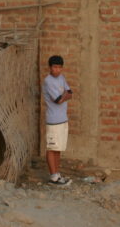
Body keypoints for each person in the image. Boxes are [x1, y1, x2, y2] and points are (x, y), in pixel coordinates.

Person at [43, 55, 72, 185]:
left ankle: (57, 174)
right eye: (55, 67)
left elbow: (70, 92)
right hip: (53, 120)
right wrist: (65, 96)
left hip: (62, 119)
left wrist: (64, 96)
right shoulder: (48, 81)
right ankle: (53, 176)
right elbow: (58, 100)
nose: (57, 70)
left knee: (58, 148)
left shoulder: (61, 78)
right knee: (51, 147)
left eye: (60, 67)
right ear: (50, 67)